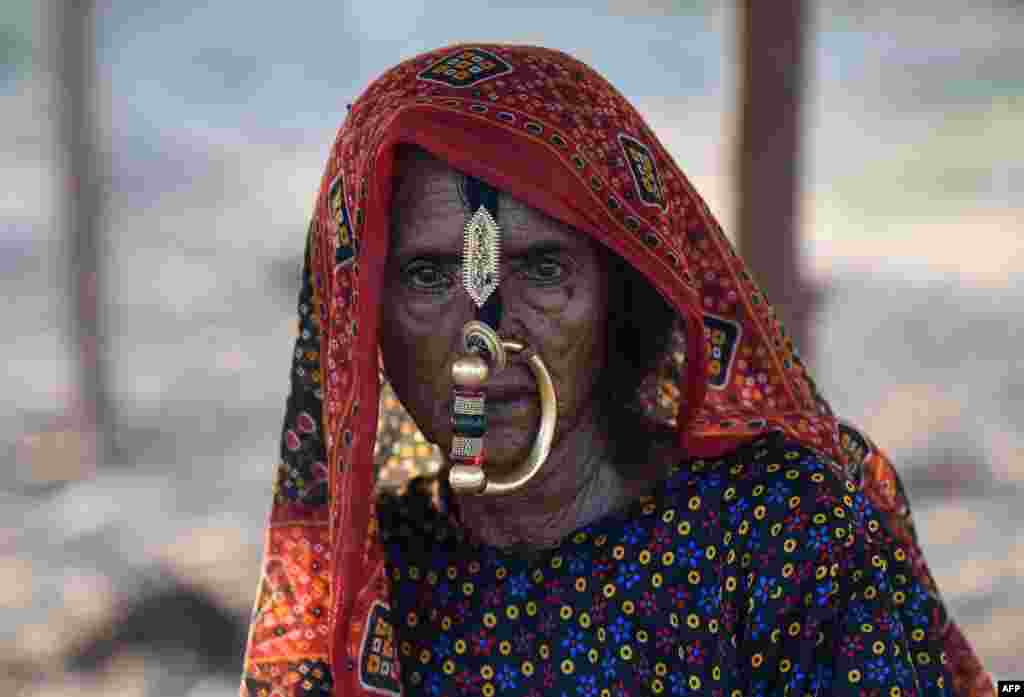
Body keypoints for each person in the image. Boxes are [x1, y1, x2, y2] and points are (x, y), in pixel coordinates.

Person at [239, 44, 993, 697]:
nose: (487, 335)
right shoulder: (371, 583)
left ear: (620, 292)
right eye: (430, 275)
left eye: (541, 267)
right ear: (362, 320)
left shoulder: (782, 533)